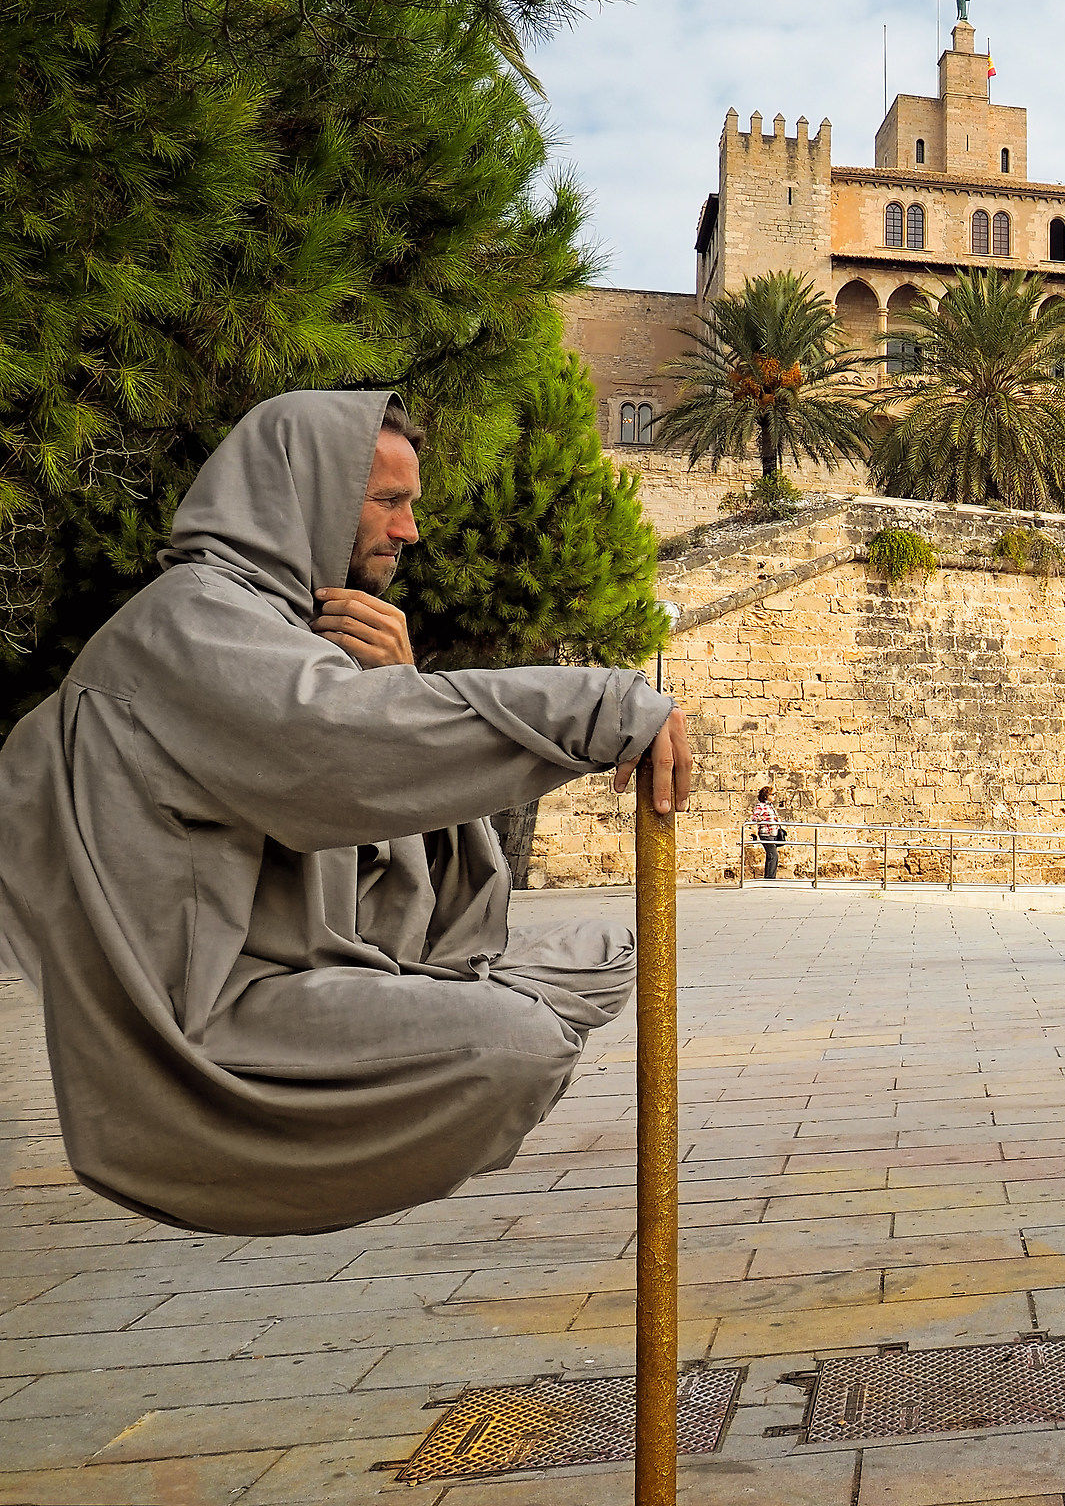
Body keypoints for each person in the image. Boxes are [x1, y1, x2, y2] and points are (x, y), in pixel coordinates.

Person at [0, 391, 693, 1238]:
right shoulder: (190, 623)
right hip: (213, 1023)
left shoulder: (281, 635)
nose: (409, 532)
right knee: (519, 1046)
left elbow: (411, 883)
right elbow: (337, 750)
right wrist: (600, 706)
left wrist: (396, 688)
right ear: (311, 493)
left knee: (612, 954)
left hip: (332, 967)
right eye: (391, 503)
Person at [751, 785, 786, 880]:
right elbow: (754, 817)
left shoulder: (770, 806)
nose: (774, 796)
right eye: (772, 794)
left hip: (773, 833)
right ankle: (770, 878)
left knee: (771, 855)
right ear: (766, 795)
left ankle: (769, 877)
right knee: (773, 855)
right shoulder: (760, 806)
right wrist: (761, 818)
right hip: (766, 834)